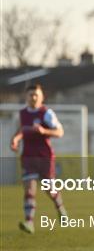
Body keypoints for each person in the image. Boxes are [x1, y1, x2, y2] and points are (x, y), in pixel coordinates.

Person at [10, 84, 66, 234]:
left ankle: (60, 208)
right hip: (28, 156)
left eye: (36, 95)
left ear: (42, 97)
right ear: (26, 97)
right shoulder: (22, 114)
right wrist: (15, 139)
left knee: (49, 189)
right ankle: (29, 222)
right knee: (29, 188)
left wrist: (44, 130)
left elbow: (60, 132)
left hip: (44, 157)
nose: (33, 97)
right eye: (30, 95)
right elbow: (21, 130)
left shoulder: (46, 113)